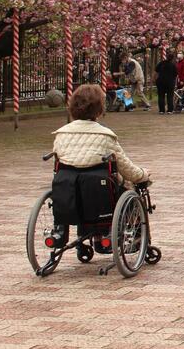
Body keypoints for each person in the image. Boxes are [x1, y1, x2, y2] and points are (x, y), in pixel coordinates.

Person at [52, 84, 151, 253]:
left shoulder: (61, 134)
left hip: (69, 192)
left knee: (81, 184)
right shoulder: (105, 135)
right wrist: (143, 175)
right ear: (99, 109)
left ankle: (90, 236)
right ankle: (133, 238)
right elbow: (126, 169)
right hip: (101, 193)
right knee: (131, 189)